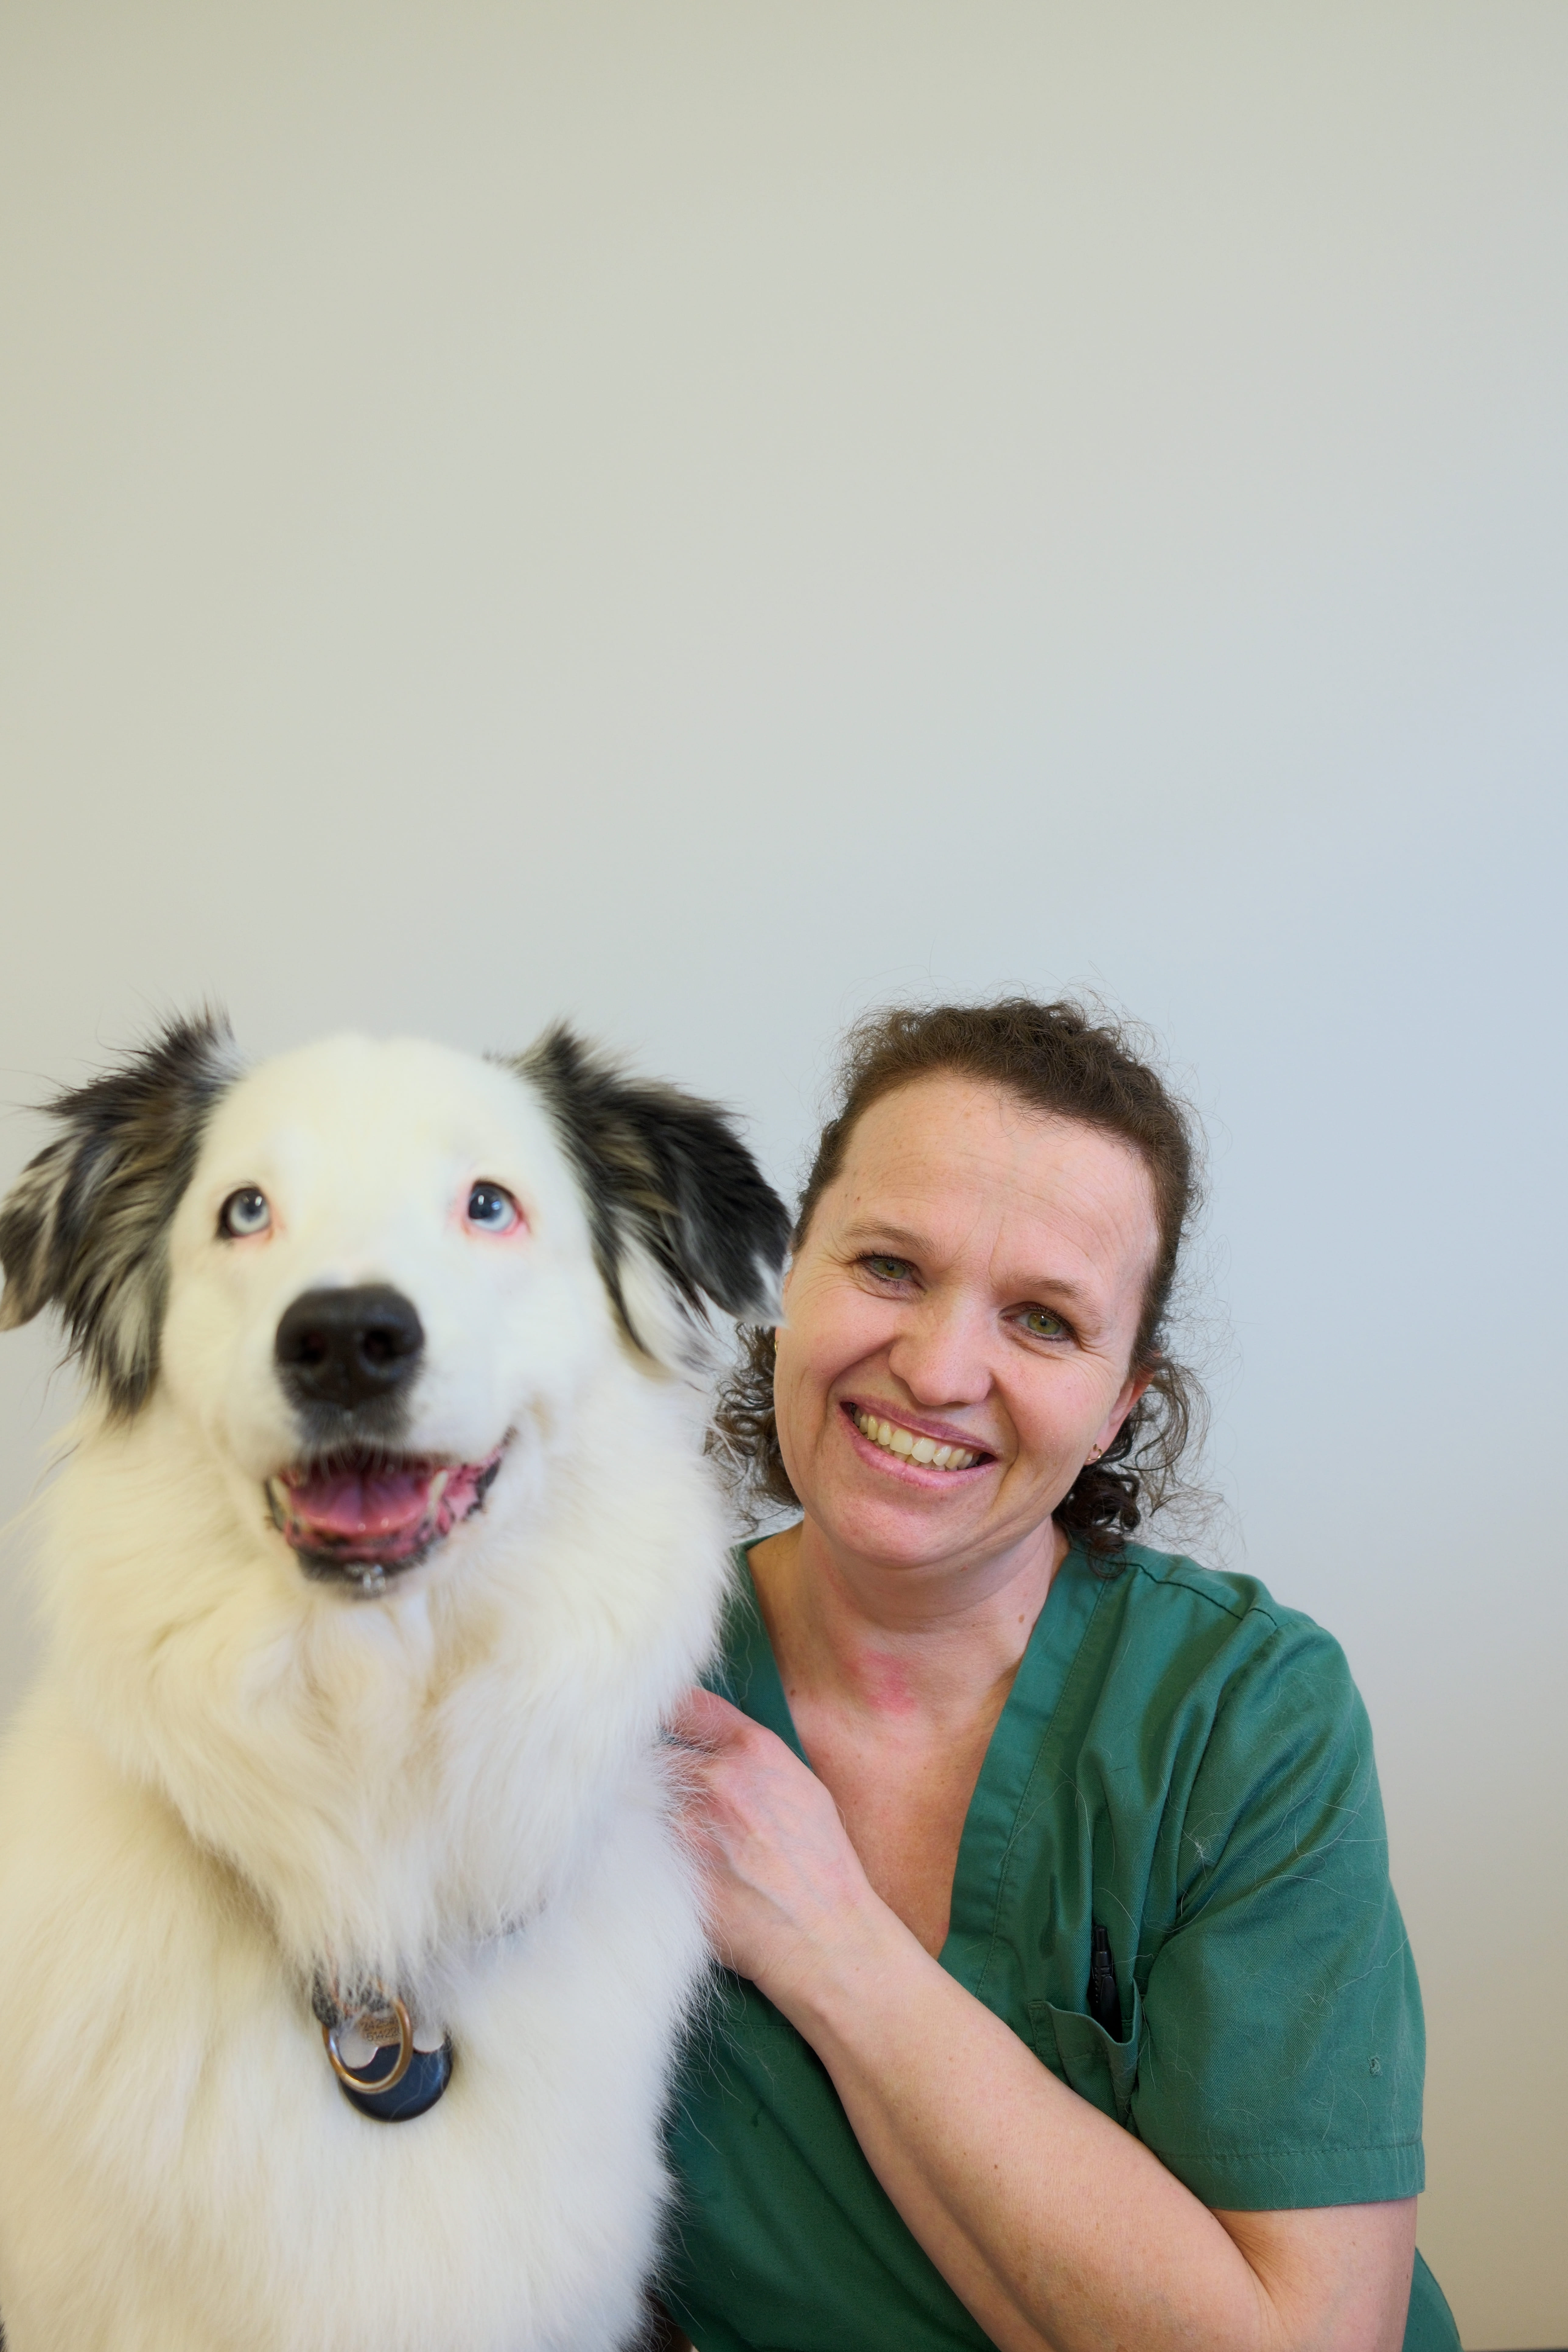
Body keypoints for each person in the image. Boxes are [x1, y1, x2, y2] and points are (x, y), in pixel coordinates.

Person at [658, 999, 1460, 2352]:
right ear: (787, 1277)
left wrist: (826, 1938)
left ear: (1118, 1406)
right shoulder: (604, 1682)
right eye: (890, 1268)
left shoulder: (1243, 1717)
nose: (936, 1367)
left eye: (1040, 1320)